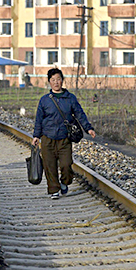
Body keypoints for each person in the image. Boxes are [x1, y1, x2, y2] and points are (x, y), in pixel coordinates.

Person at [32, 68, 96, 200]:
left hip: (64, 138)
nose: (56, 82)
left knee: (66, 165)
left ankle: (65, 182)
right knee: (49, 166)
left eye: (58, 79)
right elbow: (39, 119)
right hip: (47, 137)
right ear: (49, 82)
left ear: (62, 81)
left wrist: (88, 128)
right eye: (53, 80)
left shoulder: (70, 98)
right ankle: (54, 190)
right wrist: (36, 136)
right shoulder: (44, 100)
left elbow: (79, 114)